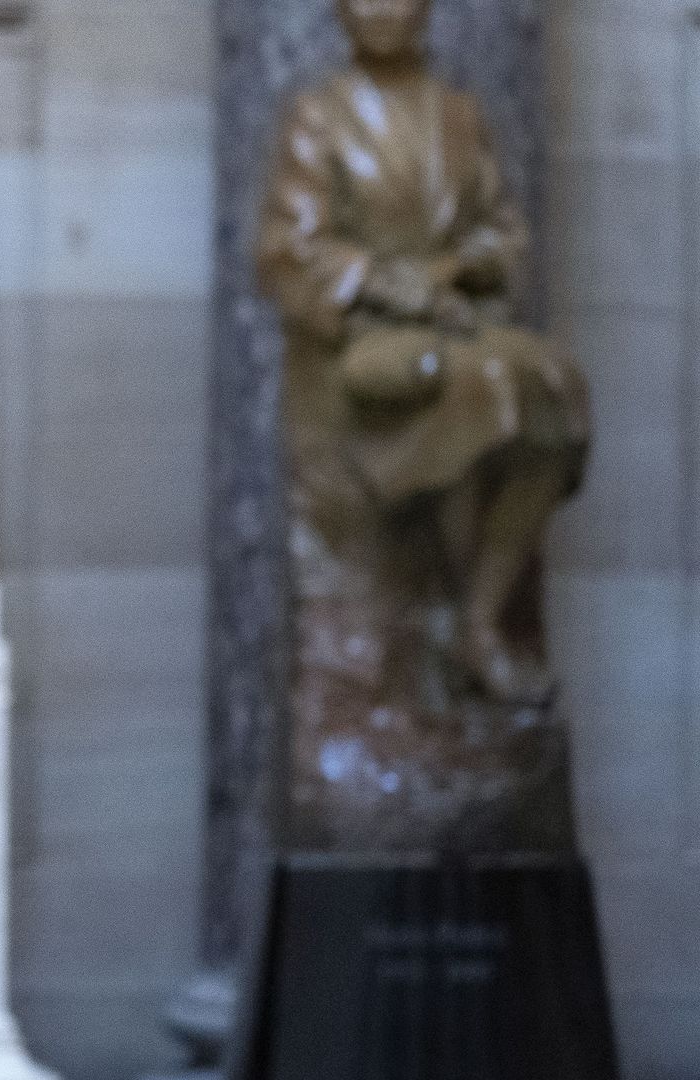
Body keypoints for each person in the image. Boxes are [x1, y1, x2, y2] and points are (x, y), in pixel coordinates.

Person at [257, 0, 589, 706]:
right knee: (488, 391)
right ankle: (467, 630)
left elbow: (503, 230)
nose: (382, 10)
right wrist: (384, 283)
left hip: (454, 320)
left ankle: (478, 613)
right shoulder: (320, 118)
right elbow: (288, 250)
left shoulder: (460, 116)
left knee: (558, 388)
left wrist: (467, 268)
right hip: (368, 343)